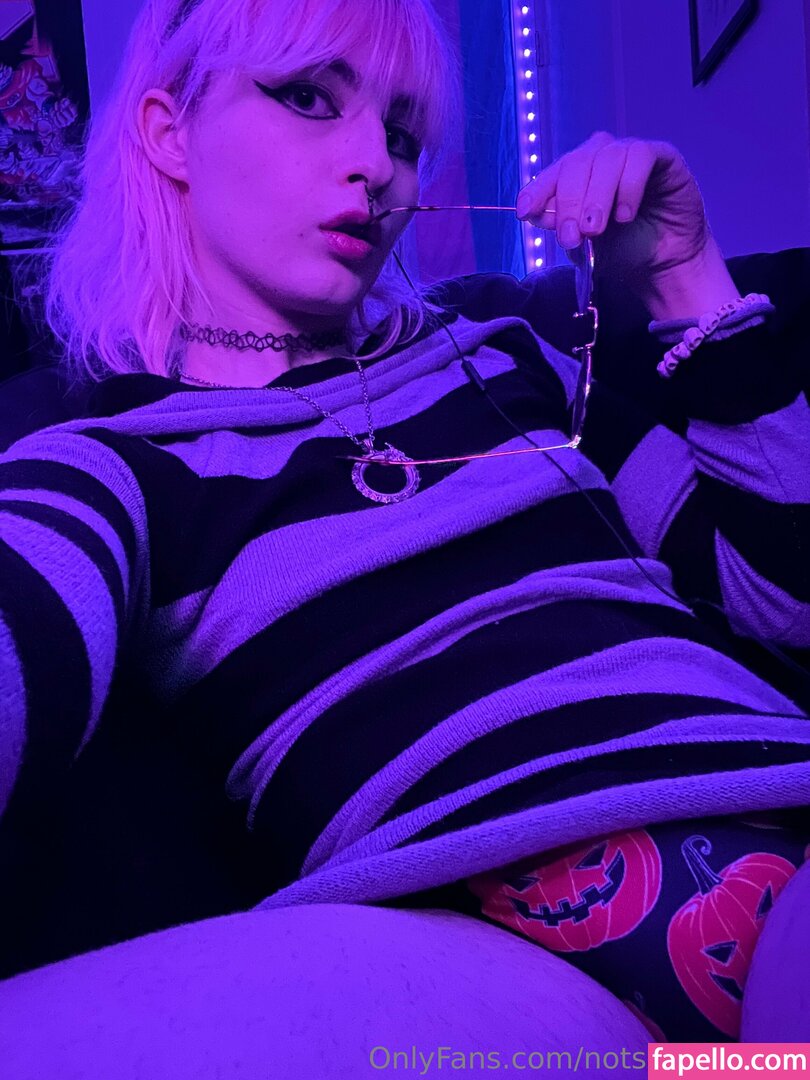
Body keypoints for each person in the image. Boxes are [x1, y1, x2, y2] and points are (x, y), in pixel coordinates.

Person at [0, 0, 808, 1071]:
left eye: (403, 133)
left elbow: (779, 600)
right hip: (474, 966)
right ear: (168, 131)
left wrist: (686, 277)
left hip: (771, 823)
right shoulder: (111, 460)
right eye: (307, 96)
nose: (375, 165)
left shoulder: (512, 363)